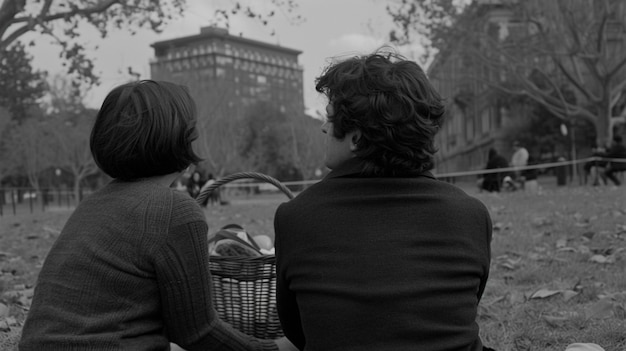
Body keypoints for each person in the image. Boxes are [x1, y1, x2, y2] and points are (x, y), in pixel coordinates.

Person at [19, 80, 295, 351]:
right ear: (181, 138)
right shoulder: (175, 210)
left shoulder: (91, 204)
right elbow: (197, 333)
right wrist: (273, 348)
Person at [274, 50, 494, 351]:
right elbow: (463, 308)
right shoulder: (470, 214)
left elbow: (298, 333)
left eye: (329, 118)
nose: (324, 128)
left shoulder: (296, 216)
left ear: (356, 139)